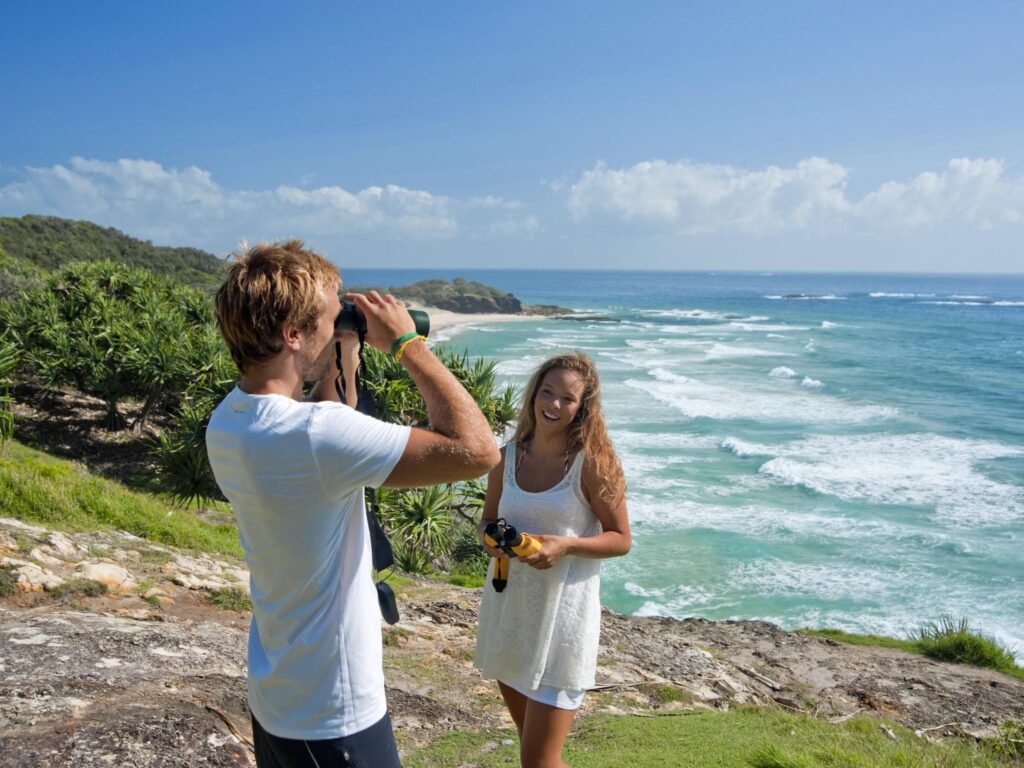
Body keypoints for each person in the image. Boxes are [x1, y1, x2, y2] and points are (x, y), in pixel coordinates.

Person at [205, 240, 499, 768]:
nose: (341, 318)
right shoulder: (316, 436)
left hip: (280, 693)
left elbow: (320, 441)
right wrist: (408, 342)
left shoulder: (230, 419)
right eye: (330, 312)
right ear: (292, 334)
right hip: (334, 716)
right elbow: (477, 450)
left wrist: (343, 352)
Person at [474, 352, 631, 768]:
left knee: (538, 760)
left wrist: (565, 546)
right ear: (533, 395)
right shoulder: (506, 457)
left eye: (567, 398)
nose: (554, 405)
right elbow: (487, 520)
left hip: (561, 624)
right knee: (536, 753)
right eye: (547, 392)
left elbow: (621, 539)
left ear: (584, 408)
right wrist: (491, 540)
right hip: (511, 615)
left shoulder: (593, 463)